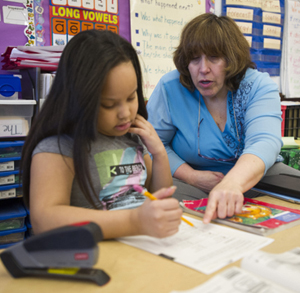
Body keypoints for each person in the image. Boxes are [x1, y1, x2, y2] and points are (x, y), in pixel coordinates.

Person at [21, 29, 183, 239]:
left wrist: (159, 153)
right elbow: (45, 219)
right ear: (78, 98)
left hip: (139, 249)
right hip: (92, 255)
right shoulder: (58, 146)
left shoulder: (131, 138)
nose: (125, 114)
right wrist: (134, 221)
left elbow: (158, 198)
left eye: (132, 97)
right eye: (109, 105)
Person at [147, 13, 300, 224]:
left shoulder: (257, 86)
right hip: (192, 180)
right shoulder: (170, 87)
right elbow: (154, 144)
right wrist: (191, 175)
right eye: (194, 59)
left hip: (256, 176)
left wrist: (232, 183)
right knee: (162, 208)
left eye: (214, 57)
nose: (203, 69)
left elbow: (264, 141)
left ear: (231, 59)